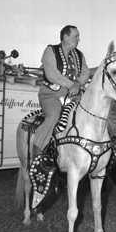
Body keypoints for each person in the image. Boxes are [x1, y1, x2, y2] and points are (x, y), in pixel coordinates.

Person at [32, 25, 90, 155]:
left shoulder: (79, 55)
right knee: (53, 117)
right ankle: (38, 153)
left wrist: (78, 83)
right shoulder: (50, 51)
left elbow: (85, 73)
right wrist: (72, 85)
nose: (78, 39)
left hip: (75, 95)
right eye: (76, 36)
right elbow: (52, 74)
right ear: (65, 37)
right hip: (51, 95)